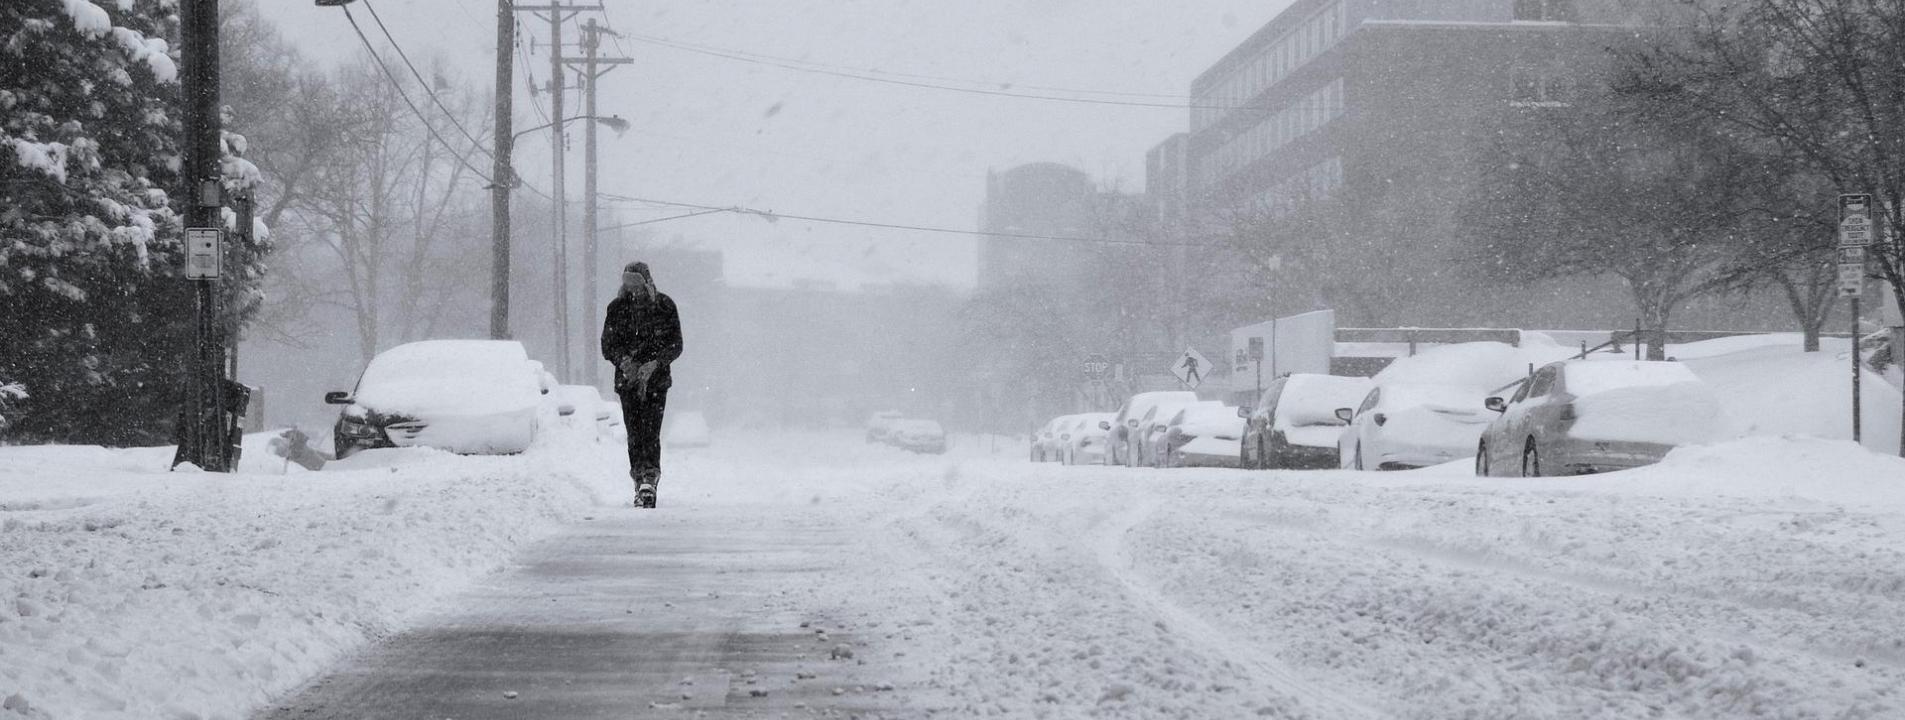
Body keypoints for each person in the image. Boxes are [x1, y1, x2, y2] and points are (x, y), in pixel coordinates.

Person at [600, 262, 683, 508]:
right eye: (628, 284)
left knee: (651, 433)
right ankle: (639, 479)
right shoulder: (616, 308)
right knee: (635, 433)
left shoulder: (665, 306)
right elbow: (608, 345)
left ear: (647, 282)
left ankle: (650, 479)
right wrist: (624, 361)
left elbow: (676, 344)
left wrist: (655, 363)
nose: (632, 290)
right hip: (627, 382)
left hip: (656, 382)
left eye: (636, 284)